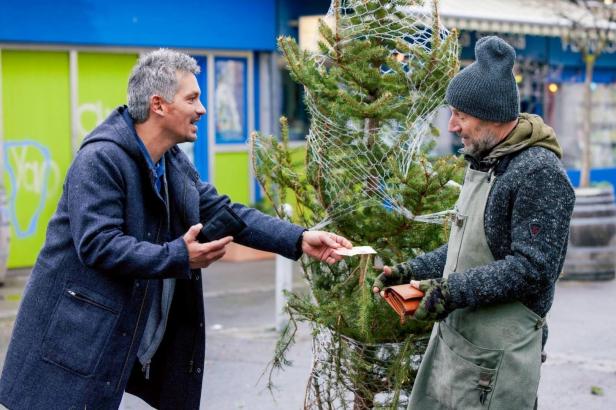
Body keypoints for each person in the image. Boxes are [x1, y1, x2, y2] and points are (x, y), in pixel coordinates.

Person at [0, 49, 352, 410]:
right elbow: (99, 245)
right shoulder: (100, 160)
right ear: (159, 105)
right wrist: (178, 256)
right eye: (192, 98)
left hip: (107, 337)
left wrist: (299, 238)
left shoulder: (170, 163)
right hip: (69, 341)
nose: (201, 109)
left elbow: (224, 212)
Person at [373, 36, 575, 410]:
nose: (452, 126)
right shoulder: (488, 159)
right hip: (457, 345)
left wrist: (449, 292)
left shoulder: (538, 173)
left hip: (496, 361)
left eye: (460, 115)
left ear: (491, 116)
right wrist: (409, 271)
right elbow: (467, 249)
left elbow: (533, 268)